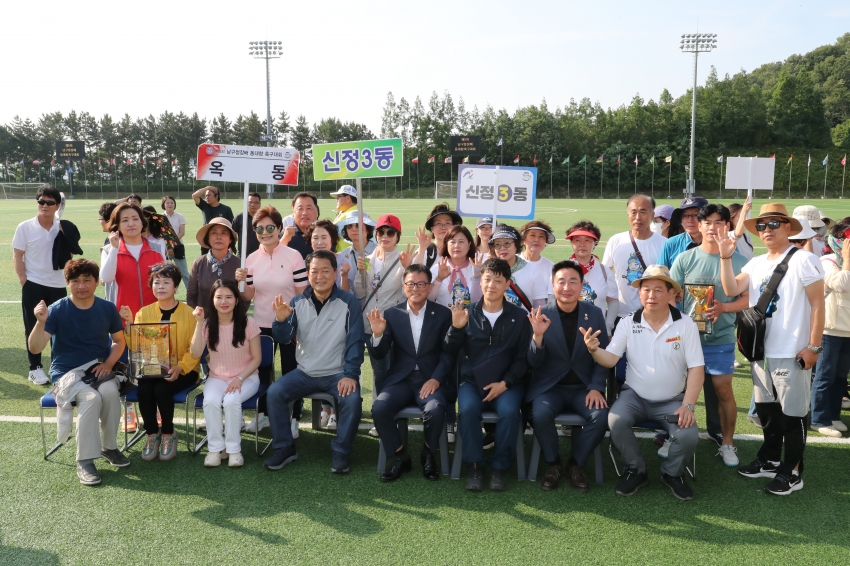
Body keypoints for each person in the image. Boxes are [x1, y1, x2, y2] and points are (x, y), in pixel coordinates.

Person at [717, 203, 825, 495]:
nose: (767, 230)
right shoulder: (756, 263)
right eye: (762, 226)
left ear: (788, 227)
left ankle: (792, 472)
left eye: (774, 224)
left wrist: (813, 346)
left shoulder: (804, 259)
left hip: (792, 350)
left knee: (792, 415)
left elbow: (818, 304)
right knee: (767, 412)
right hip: (761, 350)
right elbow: (730, 289)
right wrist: (725, 257)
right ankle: (770, 459)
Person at [582, 265, 704, 501]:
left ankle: (672, 474)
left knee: (688, 435)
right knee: (616, 419)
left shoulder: (685, 323)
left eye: (658, 290)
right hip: (634, 397)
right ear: (639, 293)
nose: (651, 295)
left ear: (671, 294)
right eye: (646, 289)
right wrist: (595, 350)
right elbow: (610, 359)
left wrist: (688, 405)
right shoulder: (628, 322)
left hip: (673, 400)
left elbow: (697, 368)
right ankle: (635, 470)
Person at [27, 259, 128, 485]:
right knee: (91, 398)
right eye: (75, 281)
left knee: (110, 392)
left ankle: (109, 447)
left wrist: (109, 363)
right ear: (67, 283)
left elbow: (119, 341)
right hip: (66, 373)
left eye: (87, 280)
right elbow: (35, 348)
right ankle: (85, 460)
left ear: (96, 282)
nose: (81, 286)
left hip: (98, 368)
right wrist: (40, 322)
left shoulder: (107, 308)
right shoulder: (56, 310)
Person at [264, 250, 365, 474]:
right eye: (314, 271)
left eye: (325, 271)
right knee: (275, 392)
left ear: (335, 273)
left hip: (337, 373)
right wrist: (280, 321)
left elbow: (356, 340)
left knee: (352, 399)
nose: (320, 276)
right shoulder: (297, 302)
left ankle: (341, 450)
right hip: (305, 372)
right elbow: (283, 338)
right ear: (308, 275)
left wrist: (350, 374)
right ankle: (284, 447)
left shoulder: (348, 302)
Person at [670, 204, 749, 467]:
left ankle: (727, 442)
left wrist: (724, 307)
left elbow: (747, 299)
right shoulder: (685, 259)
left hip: (720, 338)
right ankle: (674, 438)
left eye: (719, 222)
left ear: (727, 226)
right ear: (700, 225)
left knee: (723, 391)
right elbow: (672, 296)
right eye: (708, 222)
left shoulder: (740, 261)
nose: (713, 227)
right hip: (686, 340)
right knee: (679, 391)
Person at [446, 258, 533, 491]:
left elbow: (523, 359)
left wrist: (505, 383)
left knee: (509, 412)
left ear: (507, 284)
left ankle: (499, 466)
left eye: (498, 280)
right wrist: (456, 329)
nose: (491, 285)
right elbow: (450, 351)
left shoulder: (519, 317)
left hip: (507, 384)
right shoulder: (467, 313)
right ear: (480, 281)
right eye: (487, 279)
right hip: (472, 382)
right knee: (468, 411)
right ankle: (475, 465)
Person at [526, 261, 610, 492]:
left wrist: (596, 387)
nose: (567, 287)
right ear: (552, 285)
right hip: (549, 388)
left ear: (582, 285)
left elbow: (604, 355)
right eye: (561, 281)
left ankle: (575, 464)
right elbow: (533, 363)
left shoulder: (594, 313)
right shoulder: (541, 315)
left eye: (573, 281)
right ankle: (553, 463)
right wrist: (537, 338)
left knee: (600, 416)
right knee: (540, 414)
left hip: (583, 388)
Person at [368, 264, 454, 482]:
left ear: (429, 287)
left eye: (421, 284)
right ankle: (400, 456)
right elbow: (379, 353)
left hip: (430, 378)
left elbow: (449, 353)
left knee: (435, 410)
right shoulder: (392, 314)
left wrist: (436, 379)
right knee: (379, 408)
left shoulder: (443, 314)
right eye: (411, 284)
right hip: (401, 380)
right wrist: (377, 335)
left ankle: (427, 453)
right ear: (404, 286)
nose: (415, 288)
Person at [234, 206, 307, 435]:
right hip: (262, 324)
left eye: (269, 227)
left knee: (291, 371)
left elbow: (302, 294)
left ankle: (293, 417)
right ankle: (263, 414)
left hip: (290, 324)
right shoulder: (251, 259)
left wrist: (292, 318)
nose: (264, 233)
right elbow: (248, 296)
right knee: (263, 371)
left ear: (279, 228)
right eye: (259, 229)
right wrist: (241, 282)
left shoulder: (293, 256)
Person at [119, 263, 200, 461]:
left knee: (162, 389)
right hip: (153, 368)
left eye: (166, 282)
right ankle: (151, 434)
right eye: (157, 282)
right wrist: (129, 324)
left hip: (184, 369)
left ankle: (168, 434)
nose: (161, 286)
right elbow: (136, 346)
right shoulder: (144, 313)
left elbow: (195, 350)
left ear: (176, 287)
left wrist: (180, 367)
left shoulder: (189, 314)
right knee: (144, 388)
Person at [190, 279, 262, 468]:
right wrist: (199, 323)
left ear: (236, 300)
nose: (224, 301)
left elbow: (257, 359)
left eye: (229, 297)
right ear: (212, 300)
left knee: (231, 401)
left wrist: (239, 378)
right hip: (217, 377)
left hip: (247, 377)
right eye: (219, 297)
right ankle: (215, 449)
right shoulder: (207, 325)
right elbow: (195, 353)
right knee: (211, 401)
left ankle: (234, 450)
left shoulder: (249, 323)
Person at [354, 214, 417, 422]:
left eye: (391, 232)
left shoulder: (402, 260)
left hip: (391, 325)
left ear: (398, 236)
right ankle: (375, 412)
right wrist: (360, 272)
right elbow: (360, 292)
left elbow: (411, 293)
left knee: (387, 370)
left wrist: (407, 268)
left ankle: (385, 412)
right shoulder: (368, 260)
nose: (385, 236)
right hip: (368, 323)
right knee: (373, 369)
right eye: (381, 232)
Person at [13, 187, 68, 385]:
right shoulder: (25, 227)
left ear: (57, 205)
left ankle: (57, 366)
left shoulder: (62, 228)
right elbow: (17, 255)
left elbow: (69, 255)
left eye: (50, 202)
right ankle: (34, 368)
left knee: (59, 328)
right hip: (33, 284)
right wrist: (24, 280)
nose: (45, 205)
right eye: (41, 202)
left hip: (58, 285)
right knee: (33, 325)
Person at [810, 221, 850, 437]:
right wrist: (847, 260)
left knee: (840, 377)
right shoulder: (827, 261)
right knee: (825, 376)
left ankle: (834, 416)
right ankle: (819, 419)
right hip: (829, 330)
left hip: (847, 330)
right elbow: (842, 284)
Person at [602, 194, 667, 317]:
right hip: (620, 313)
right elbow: (605, 274)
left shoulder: (664, 244)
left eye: (643, 212)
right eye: (633, 212)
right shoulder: (616, 241)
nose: (638, 217)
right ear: (628, 214)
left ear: (652, 215)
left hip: (653, 315)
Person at [100, 203, 167, 319]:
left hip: (154, 317)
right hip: (122, 318)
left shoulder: (157, 249)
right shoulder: (108, 250)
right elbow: (106, 278)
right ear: (117, 226)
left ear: (142, 222)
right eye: (125, 220)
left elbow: (167, 280)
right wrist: (114, 249)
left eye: (135, 219)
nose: (131, 224)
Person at [566, 222, 619, 336]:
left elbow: (613, 301)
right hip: (568, 330)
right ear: (572, 243)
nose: (582, 244)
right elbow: (552, 299)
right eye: (577, 240)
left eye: (587, 240)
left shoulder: (604, 271)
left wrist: (607, 327)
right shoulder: (562, 270)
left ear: (595, 243)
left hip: (597, 331)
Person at [187, 218, 245, 314]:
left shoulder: (240, 264)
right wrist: (199, 317)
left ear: (230, 239)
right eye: (214, 233)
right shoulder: (199, 263)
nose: (218, 237)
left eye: (223, 233)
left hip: (232, 320)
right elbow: (191, 296)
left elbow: (244, 298)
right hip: (204, 319)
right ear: (208, 238)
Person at [488, 224, 548, 312]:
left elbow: (539, 306)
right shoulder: (488, 271)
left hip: (524, 320)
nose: (502, 248)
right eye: (497, 244)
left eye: (507, 243)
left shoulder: (533, 270)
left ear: (516, 245)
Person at [429, 225, 483, 308]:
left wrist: (477, 278)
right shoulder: (437, 269)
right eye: (452, 242)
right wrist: (439, 279)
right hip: (443, 316)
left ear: (469, 244)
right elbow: (429, 300)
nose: (457, 246)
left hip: (470, 315)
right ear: (446, 244)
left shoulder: (477, 269)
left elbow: (479, 302)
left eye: (461, 242)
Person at [658, 197, 709, 267]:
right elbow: (660, 271)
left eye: (696, 215)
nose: (690, 220)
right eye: (685, 215)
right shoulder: (670, 244)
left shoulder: (718, 243)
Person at [337, 210, 378, 292]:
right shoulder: (343, 255)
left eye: (358, 225)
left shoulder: (378, 251)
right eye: (349, 226)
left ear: (368, 229)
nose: (354, 229)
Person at [306, 219, 351, 292]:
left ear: (332, 239)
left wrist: (344, 275)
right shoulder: (306, 262)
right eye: (315, 238)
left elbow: (348, 294)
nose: (320, 242)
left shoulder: (344, 262)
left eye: (324, 238)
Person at [420, 203, 463, 269]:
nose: (443, 227)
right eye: (438, 223)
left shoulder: (461, 251)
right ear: (432, 228)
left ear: (454, 227)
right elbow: (415, 273)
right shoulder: (424, 251)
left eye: (447, 223)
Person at [520, 220, 556, 299]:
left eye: (541, 236)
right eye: (532, 235)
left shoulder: (551, 267)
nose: (537, 239)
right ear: (523, 240)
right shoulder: (512, 261)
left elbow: (551, 297)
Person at [192, 186, 233, 253]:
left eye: (209, 195)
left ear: (216, 196)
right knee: (206, 259)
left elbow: (231, 228)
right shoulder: (204, 206)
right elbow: (194, 196)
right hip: (207, 242)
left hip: (221, 241)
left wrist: (231, 247)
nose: (207, 197)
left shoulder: (226, 209)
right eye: (206, 195)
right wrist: (207, 188)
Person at [161, 196, 190, 288]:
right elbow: (160, 233)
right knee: (163, 272)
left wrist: (172, 244)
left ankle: (191, 293)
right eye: (167, 203)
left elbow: (182, 232)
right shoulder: (160, 217)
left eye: (172, 203)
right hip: (164, 248)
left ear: (174, 204)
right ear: (164, 204)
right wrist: (168, 246)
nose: (170, 204)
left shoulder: (180, 216)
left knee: (184, 273)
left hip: (178, 247)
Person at [281, 192, 319, 258]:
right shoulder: (284, 236)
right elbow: (272, 257)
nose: (304, 213)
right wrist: (285, 239)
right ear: (293, 212)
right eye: (300, 209)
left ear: (317, 211)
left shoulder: (327, 234)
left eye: (309, 208)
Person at [232, 192, 262, 258]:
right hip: (243, 257)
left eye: (256, 202)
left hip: (261, 256)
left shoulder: (264, 219)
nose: (253, 205)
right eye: (250, 202)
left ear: (260, 204)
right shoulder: (239, 218)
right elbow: (232, 237)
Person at [330, 184, 360, 251]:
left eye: (338, 197)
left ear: (348, 198)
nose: (336, 200)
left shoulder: (349, 215)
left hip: (346, 254)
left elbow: (330, 232)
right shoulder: (354, 212)